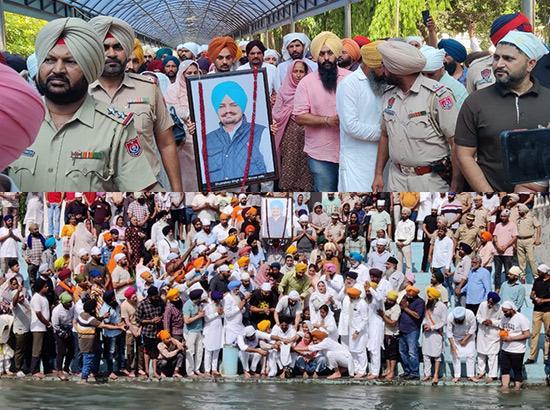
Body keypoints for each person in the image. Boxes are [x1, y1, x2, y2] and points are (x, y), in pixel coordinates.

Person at [8, 17, 156, 191]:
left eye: (70, 62)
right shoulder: (13, 120)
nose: (58, 69)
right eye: (49, 60)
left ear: (89, 69)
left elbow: (140, 191)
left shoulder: (116, 128)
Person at [88, 16, 181, 191]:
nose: (111, 54)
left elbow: (167, 143)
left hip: (148, 187)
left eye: (118, 47)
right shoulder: (80, 92)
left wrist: (177, 190)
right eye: (104, 47)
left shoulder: (148, 89)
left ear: (128, 51)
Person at [455, 31, 550, 192]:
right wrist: (491, 196)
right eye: (496, 57)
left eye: (508, 59)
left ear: (531, 64)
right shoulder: (475, 102)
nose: (498, 64)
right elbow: (464, 155)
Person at [372, 41, 461, 192]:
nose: (383, 70)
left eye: (385, 65)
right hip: (396, 179)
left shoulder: (437, 95)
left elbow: (455, 142)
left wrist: (456, 183)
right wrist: (378, 174)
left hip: (430, 181)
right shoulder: (389, 95)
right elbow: (385, 136)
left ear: (398, 69)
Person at [293, 32, 351, 191]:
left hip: (351, 152)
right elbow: (299, 116)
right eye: (322, 54)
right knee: (325, 194)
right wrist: (327, 120)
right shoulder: (306, 83)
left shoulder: (351, 79)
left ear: (337, 54)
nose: (326, 58)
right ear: (315, 56)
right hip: (320, 155)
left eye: (330, 53)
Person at [336, 41, 385, 191]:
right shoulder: (349, 85)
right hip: (356, 163)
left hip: (382, 160)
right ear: (370, 64)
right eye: (382, 66)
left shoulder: (383, 83)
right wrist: (385, 134)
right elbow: (351, 126)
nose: (385, 71)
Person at [204, 80, 273, 183]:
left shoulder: (262, 133)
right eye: (221, 106)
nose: (228, 110)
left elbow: (270, 175)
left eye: (233, 104)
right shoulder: (207, 139)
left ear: (242, 105)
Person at [271, 59, 314, 191]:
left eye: (302, 71)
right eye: (295, 71)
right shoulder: (283, 91)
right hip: (289, 134)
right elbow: (276, 113)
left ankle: (306, 188)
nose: (298, 74)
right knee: (290, 161)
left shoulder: (312, 90)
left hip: (309, 132)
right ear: (290, 73)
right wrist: (291, 110)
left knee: (306, 163)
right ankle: (288, 189)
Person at [165, 60, 200, 191]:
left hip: (201, 134)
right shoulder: (173, 89)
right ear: (182, 74)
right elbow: (173, 109)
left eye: (195, 73)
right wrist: (193, 113)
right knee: (187, 171)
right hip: (183, 136)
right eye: (188, 73)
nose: (192, 75)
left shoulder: (201, 85)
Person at [500, 300, 530, 391]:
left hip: (518, 349)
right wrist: (502, 335)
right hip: (505, 348)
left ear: (512, 309)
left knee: (517, 369)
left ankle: (517, 387)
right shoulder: (504, 317)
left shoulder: (521, 318)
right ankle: (505, 386)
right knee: (505, 369)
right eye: (503, 311)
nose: (504, 313)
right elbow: (502, 329)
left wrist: (511, 339)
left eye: (506, 311)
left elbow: (527, 334)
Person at [135, 286, 163, 378]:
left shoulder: (160, 302)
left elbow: (163, 313)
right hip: (147, 332)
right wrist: (151, 321)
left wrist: (160, 318)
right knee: (146, 351)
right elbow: (138, 320)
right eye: (155, 296)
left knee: (155, 352)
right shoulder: (142, 304)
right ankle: (147, 370)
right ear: (150, 296)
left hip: (157, 332)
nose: (157, 297)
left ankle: (154, 372)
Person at [474, 292, 502, 382]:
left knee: (492, 354)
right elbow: (477, 316)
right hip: (482, 332)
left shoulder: (500, 308)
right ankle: (481, 372)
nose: (489, 304)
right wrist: (482, 321)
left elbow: (502, 321)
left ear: (495, 303)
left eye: (491, 303)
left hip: (493, 334)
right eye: (488, 302)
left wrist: (492, 322)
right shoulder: (482, 305)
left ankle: (492, 375)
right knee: (480, 353)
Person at [398, 285, 425, 379]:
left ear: (414, 293)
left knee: (412, 352)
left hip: (412, 330)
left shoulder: (420, 302)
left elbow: (417, 316)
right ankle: (407, 371)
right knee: (402, 352)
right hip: (402, 329)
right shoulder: (405, 298)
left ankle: (414, 373)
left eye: (409, 293)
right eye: (407, 292)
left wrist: (405, 308)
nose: (407, 294)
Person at [421, 287, 447, 384]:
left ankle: (435, 375)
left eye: (430, 297)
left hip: (436, 333)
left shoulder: (442, 306)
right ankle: (427, 374)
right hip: (426, 333)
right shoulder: (427, 304)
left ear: (435, 298)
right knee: (426, 354)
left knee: (437, 355)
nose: (429, 299)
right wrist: (424, 324)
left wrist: (432, 327)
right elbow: (424, 317)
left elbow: (443, 322)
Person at [525, 264, 550, 365]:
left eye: (539, 271)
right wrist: (534, 298)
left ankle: (546, 356)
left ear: (545, 272)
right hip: (537, 310)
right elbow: (532, 293)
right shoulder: (537, 280)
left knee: (548, 334)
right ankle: (532, 356)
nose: (538, 273)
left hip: (548, 310)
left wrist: (543, 300)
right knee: (535, 333)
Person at [51, 292, 75, 380]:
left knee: (72, 350)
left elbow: (73, 317)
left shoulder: (72, 306)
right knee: (61, 352)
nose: (70, 304)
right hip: (59, 330)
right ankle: (59, 371)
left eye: (71, 302)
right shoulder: (57, 311)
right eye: (68, 303)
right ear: (64, 303)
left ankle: (66, 367)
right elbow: (55, 325)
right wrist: (63, 334)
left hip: (68, 329)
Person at [493, 210, 518, 292]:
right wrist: (498, 246)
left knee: (508, 271)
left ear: (508, 217)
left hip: (507, 252)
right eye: (501, 216)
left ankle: (509, 287)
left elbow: (514, 237)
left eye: (504, 216)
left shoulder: (512, 225)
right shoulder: (498, 225)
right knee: (497, 272)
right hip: (498, 252)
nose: (502, 218)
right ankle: (497, 288)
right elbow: (495, 237)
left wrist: (505, 246)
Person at [516, 204, 541, 281]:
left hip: (529, 240)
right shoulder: (518, 219)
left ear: (524, 210)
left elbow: (538, 227)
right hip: (519, 240)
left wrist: (537, 239)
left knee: (531, 259)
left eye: (520, 210)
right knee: (521, 260)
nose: (518, 211)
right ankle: (522, 276)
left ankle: (536, 276)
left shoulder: (531, 218)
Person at [182, 288, 205, 377]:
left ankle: (197, 369)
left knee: (199, 351)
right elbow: (186, 321)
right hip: (190, 331)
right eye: (200, 297)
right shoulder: (187, 306)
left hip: (199, 330)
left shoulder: (198, 303)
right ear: (196, 298)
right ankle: (190, 371)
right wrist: (199, 316)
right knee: (190, 352)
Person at [203, 290, 224, 376]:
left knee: (217, 350)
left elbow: (222, 316)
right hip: (209, 330)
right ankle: (207, 370)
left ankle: (214, 369)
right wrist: (216, 313)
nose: (219, 300)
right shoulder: (207, 306)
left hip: (218, 330)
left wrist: (221, 313)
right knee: (208, 351)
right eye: (218, 299)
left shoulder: (220, 305)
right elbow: (206, 319)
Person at [394, 207, 415, 274]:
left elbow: (412, 236)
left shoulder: (411, 223)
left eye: (405, 214)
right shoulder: (399, 223)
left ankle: (408, 277)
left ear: (408, 214)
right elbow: (396, 233)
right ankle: (399, 275)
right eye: (402, 214)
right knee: (399, 261)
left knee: (408, 262)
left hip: (406, 244)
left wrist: (404, 243)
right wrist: (397, 241)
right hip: (398, 242)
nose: (403, 215)